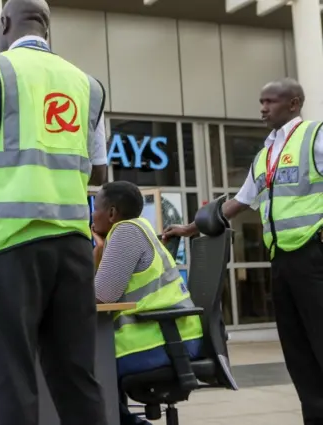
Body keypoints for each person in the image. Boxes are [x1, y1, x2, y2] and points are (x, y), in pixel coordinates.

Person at [0, 0, 108, 423]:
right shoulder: (86, 84)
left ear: (4, 23)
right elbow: (99, 170)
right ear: (48, 28)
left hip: (11, 244)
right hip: (74, 247)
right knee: (76, 373)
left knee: (10, 373)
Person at [164, 77, 323, 425]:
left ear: (294, 104)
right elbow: (239, 202)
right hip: (282, 262)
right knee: (299, 353)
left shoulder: (315, 135)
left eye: (271, 102)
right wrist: (191, 227)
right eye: (262, 102)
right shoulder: (267, 154)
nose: (263, 108)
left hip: (315, 257)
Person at [91, 181, 203, 425]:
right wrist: (100, 250)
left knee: (80, 372)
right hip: (171, 337)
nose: (92, 213)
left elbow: (101, 296)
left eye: (96, 207)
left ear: (111, 213)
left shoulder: (126, 232)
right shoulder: (138, 229)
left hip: (160, 342)